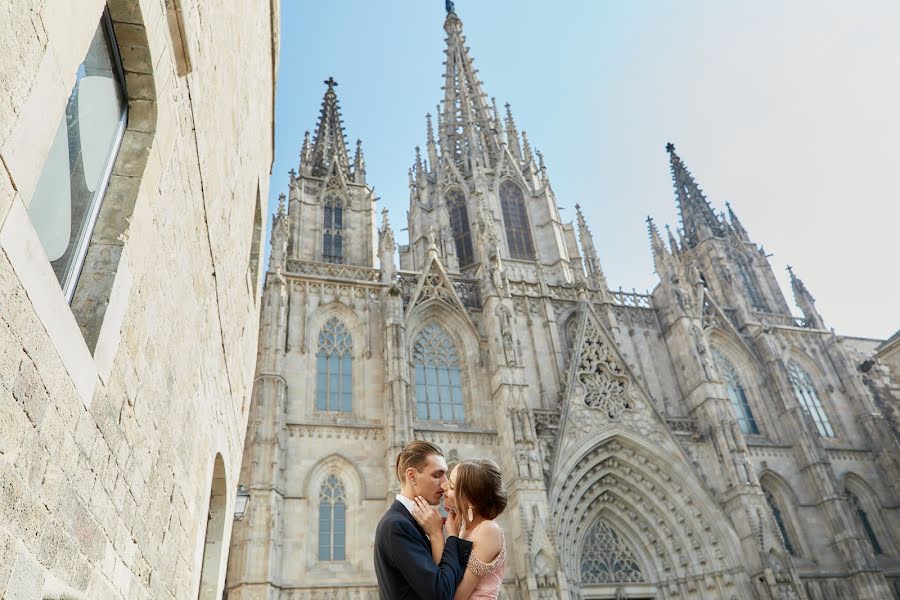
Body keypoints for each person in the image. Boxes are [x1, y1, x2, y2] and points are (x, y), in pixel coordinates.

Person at [374, 441, 474, 599]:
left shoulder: (415, 520)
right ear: (411, 476)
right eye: (437, 475)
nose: (445, 483)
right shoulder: (397, 525)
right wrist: (444, 536)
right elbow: (441, 594)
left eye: (445, 474)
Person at [411, 458, 507, 600]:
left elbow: (452, 596)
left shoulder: (488, 530)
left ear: (470, 501)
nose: (443, 485)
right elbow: (443, 580)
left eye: (451, 486)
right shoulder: (463, 528)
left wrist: (440, 535)